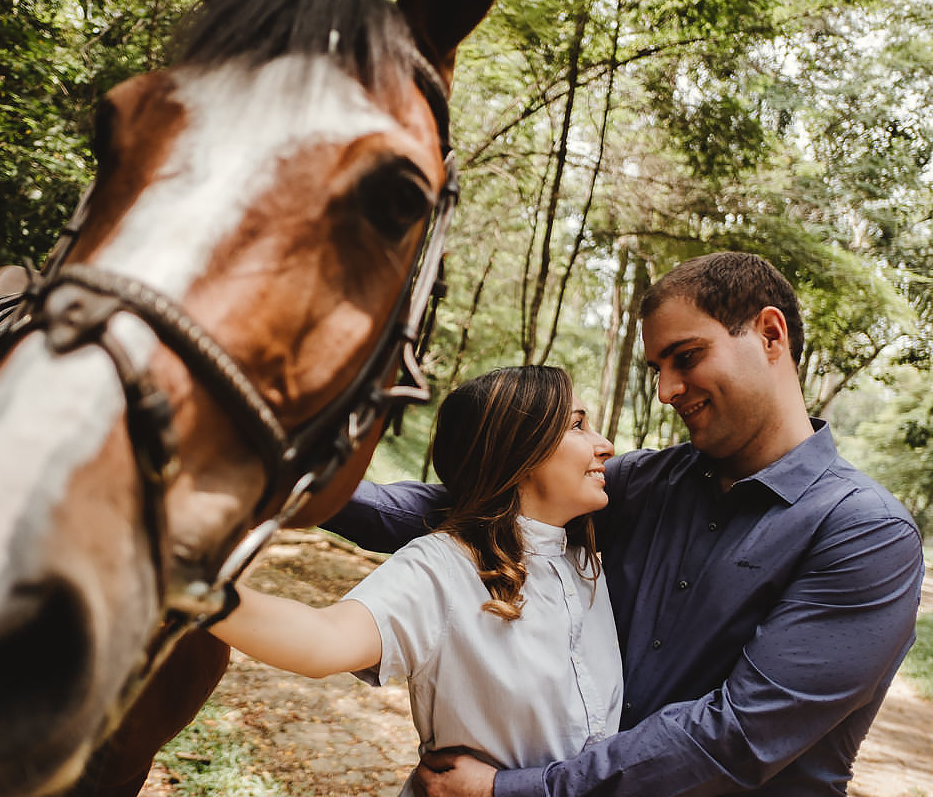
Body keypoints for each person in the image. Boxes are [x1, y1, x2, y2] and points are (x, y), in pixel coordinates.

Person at [323, 251, 925, 796]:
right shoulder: (650, 483)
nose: (665, 390)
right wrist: (302, 491)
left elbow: (738, 735)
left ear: (770, 335)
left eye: (685, 358)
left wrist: (512, 791)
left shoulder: (863, 534)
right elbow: (479, 507)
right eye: (657, 368)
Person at [209, 366, 622, 796]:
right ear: (519, 454)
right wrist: (195, 587)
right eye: (578, 425)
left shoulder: (587, 567)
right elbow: (323, 640)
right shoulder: (445, 566)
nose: (605, 446)